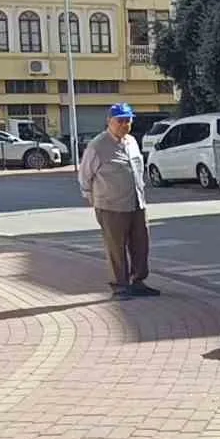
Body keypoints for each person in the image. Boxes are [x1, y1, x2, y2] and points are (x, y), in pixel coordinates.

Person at [78, 103, 158, 299]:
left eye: (128, 120)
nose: (124, 124)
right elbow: (85, 176)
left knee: (141, 244)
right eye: (120, 120)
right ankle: (119, 286)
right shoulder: (98, 145)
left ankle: (138, 281)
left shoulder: (131, 141)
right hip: (111, 206)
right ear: (109, 122)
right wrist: (94, 199)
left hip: (137, 203)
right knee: (116, 247)